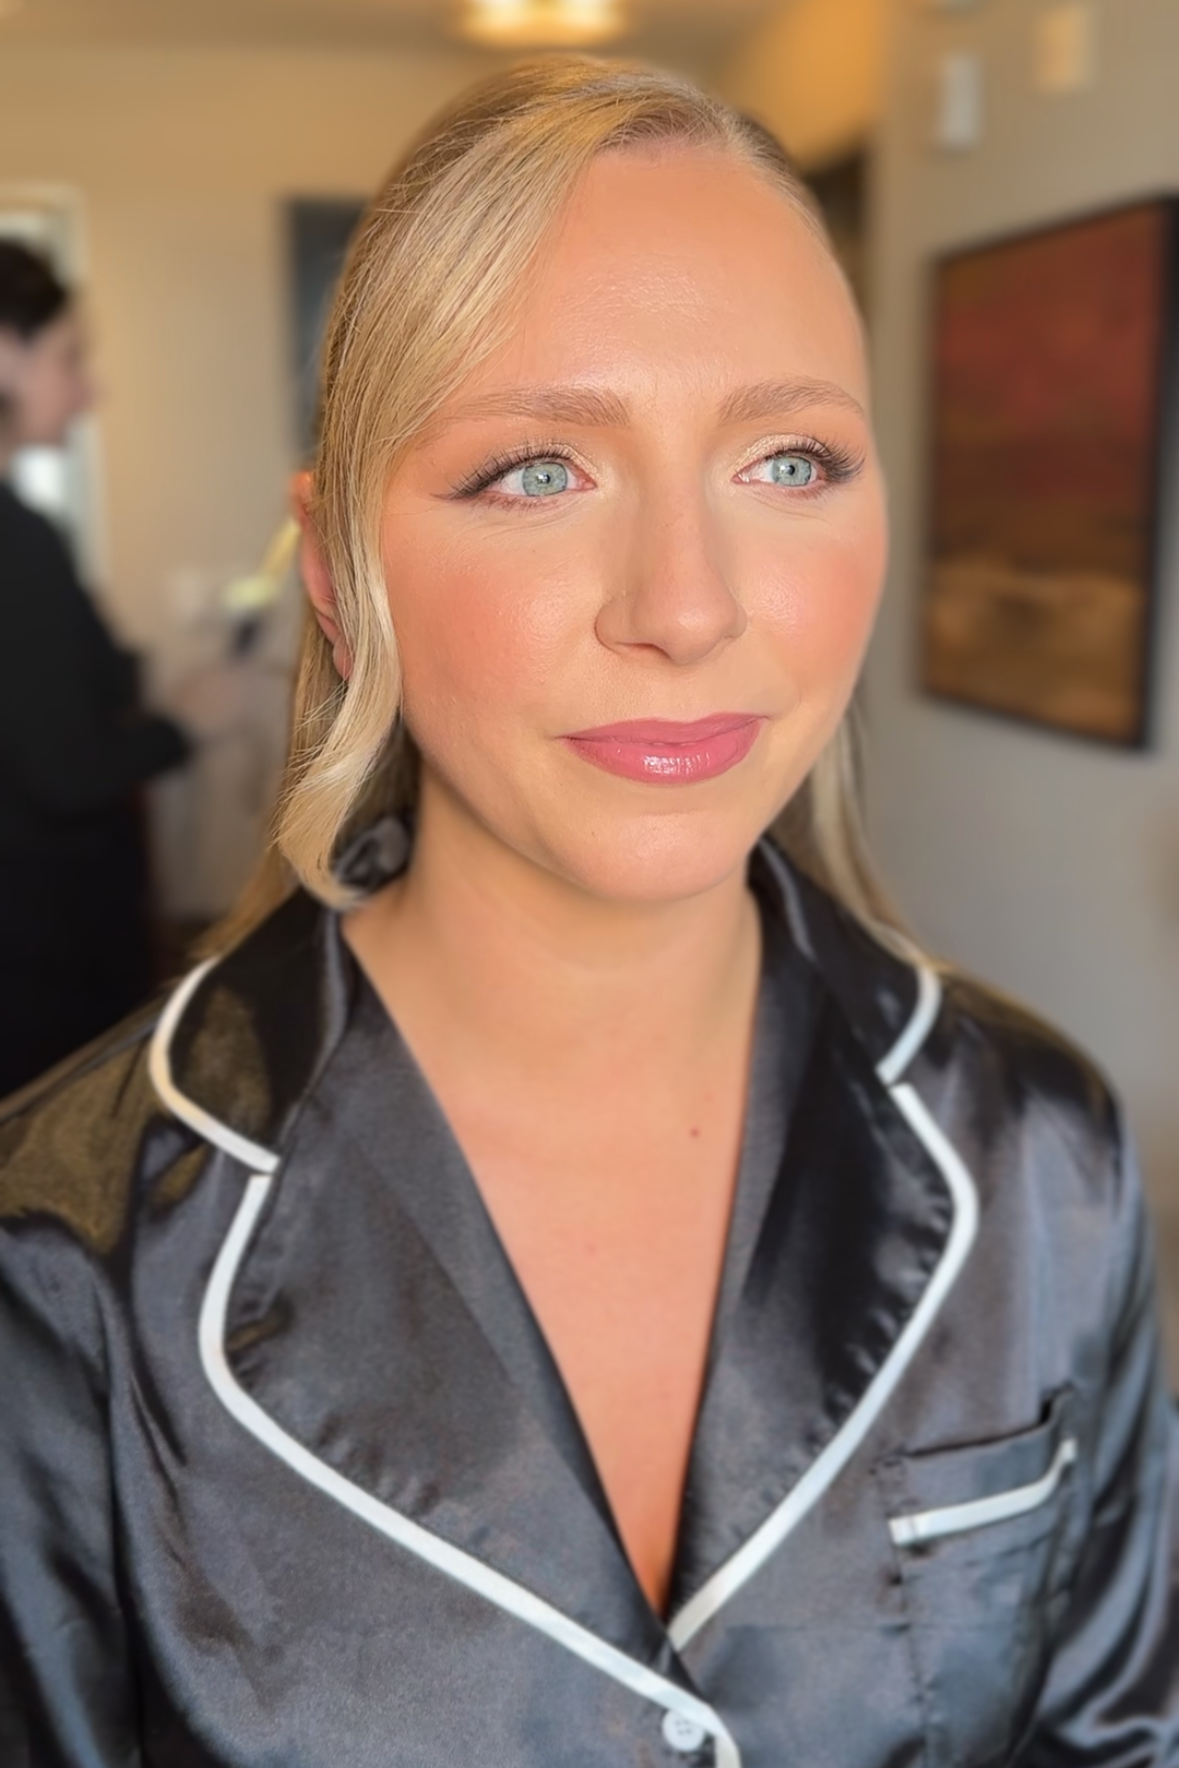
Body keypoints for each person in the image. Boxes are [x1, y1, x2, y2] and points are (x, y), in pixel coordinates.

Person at [0, 58, 1176, 1768]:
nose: (687, 607)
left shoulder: (1039, 1149)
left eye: (786, 457)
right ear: (337, 572)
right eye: (538, 470)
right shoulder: (61, 1262)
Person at [0, 241, 190, 1093]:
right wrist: (189, 725)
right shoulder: (17, 542)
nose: (89, 390)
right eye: (69, 358)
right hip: (37, 964)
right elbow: (66, 770)